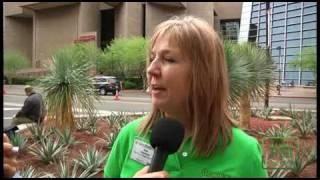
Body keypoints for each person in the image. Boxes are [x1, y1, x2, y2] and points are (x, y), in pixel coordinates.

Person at [104, 16, 268, 178]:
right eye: (152, 58)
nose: (151, 69)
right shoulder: (130, 136)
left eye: (168, 59)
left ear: (204, 73)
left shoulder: (245, 152)